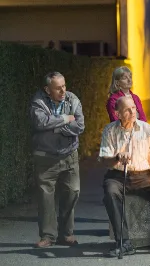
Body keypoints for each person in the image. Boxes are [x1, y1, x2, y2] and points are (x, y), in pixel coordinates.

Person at [99, 96, 150, 257]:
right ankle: (124, 243)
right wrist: (117, 157)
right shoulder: (110, 130)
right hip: (118, 175)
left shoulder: (145, 129)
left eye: (134, 108)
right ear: (118, 114)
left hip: (143, 176)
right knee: (110, 192)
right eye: (127, 110)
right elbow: (105, 161)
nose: (132, 112)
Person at [30, 72, 85, 248]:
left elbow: (79, 125)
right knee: (46, 198)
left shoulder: (72, 99)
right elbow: (40, 123)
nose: (63, 91)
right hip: (45, 157)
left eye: (64, 86)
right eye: (58, 88)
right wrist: (64, 119)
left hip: (69, 155)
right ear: (47, 90)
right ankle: (48, 236)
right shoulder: (38, 102)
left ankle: (66, 234)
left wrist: (55, 128)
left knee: (72, 192)